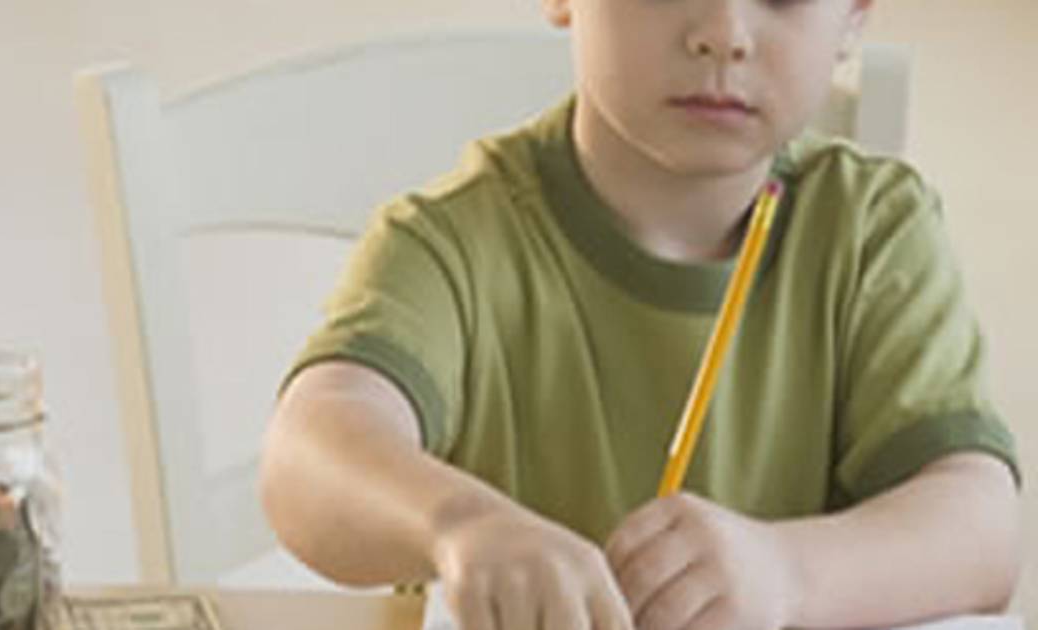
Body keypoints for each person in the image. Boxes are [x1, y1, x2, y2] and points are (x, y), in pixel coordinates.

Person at [259, 1, 1022, 629]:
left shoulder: (873, 230)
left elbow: (983, 528)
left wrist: (785, 575)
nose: (724, 32)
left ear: (854, 14)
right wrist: (460, 524)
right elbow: (305, 454)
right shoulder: (455, 241)